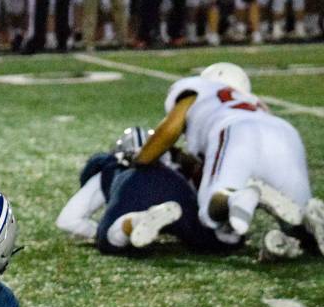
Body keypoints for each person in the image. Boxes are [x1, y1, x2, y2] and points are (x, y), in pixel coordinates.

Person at [133, 62, 324, 256]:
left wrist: (140, 159)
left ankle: (235, 197)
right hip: (285, 134)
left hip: (235, 131)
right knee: (298, 222)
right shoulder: (255, 103)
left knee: (210, 211)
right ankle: (311, 218)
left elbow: (169, 129)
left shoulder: (200, 90)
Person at [56, 127, 239, 255]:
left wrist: (98, 232)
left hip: (131, 183)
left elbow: (67, 221)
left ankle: (132, 222)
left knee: (109, 239)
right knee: (211, 241)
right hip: (172, 181)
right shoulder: (177, 164)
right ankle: (240, 218)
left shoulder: (112, 166)